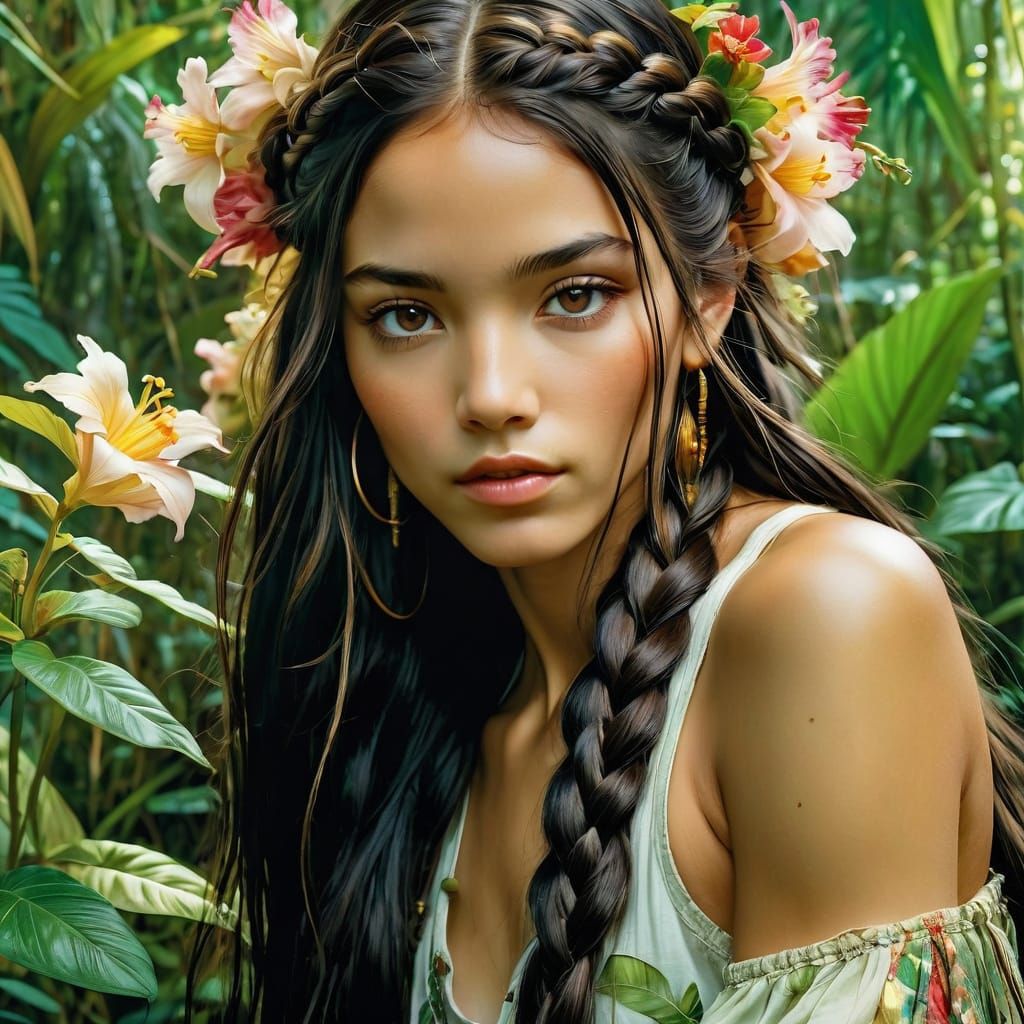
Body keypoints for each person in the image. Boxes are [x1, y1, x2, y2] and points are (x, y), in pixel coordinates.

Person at [163, 0, 1024, 1021]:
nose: (490, 394)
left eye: (575, 295)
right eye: (406, 314)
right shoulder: (404, 709)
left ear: (710, 291)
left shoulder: (825, 613)